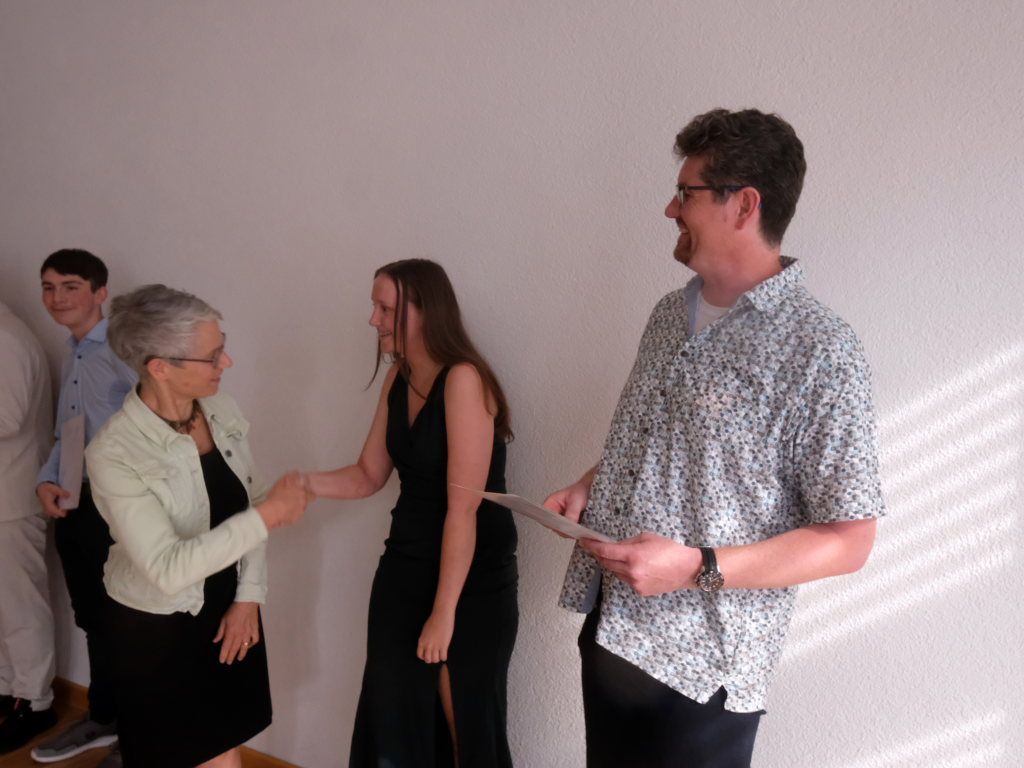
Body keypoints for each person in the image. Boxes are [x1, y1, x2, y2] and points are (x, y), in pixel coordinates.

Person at [544, 109, 886, 768]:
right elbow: (667, 438)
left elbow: (851, 540)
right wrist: (591, 483)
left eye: (687, 193)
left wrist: (694, 566)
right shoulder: (668, 315)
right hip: (613, 631)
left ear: (744, 205)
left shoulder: (820, 349)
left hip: (705, 667)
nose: (670, 208)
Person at [83, 284, 308, 768]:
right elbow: (168, 568)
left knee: (224, 747)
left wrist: (248, 597)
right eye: (212, 356)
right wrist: (268, 515)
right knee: (180, 754)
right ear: (159, 367)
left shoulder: (221, 410)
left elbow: (251, 500)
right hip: (158, 629)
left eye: (222, 347)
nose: (226, 363)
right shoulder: (114, 453)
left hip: (229, 607)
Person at [305, 259, 518, 767]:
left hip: (470, 577)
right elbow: (368, 474)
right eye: (374, 307)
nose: (373, 320)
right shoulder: (398, 377)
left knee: (463, 718)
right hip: (406, 563)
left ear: (426, 312)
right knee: (393, 710)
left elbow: (463, 510)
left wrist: (443, 615)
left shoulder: (464, 379)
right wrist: (302, 484)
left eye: (386, 309)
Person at [32, 249, 136, 766]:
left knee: (127, 621)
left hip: (120, 508)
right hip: (77, 501)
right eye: (48, 287)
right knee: (93, 616)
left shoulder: (122, 349)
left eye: (70, 286)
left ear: (100, 293)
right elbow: (69, 432)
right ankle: (104, 715)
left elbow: (160, 426)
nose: (57, 298)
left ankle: (137, 736)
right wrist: (47, 480)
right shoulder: (73, 352)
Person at [0, 300, 57, 754]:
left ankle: (36, 702)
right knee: (5, 608)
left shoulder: (7, 338)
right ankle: (9, 690)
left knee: (22, 608)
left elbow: (8, 416)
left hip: (13, 498)